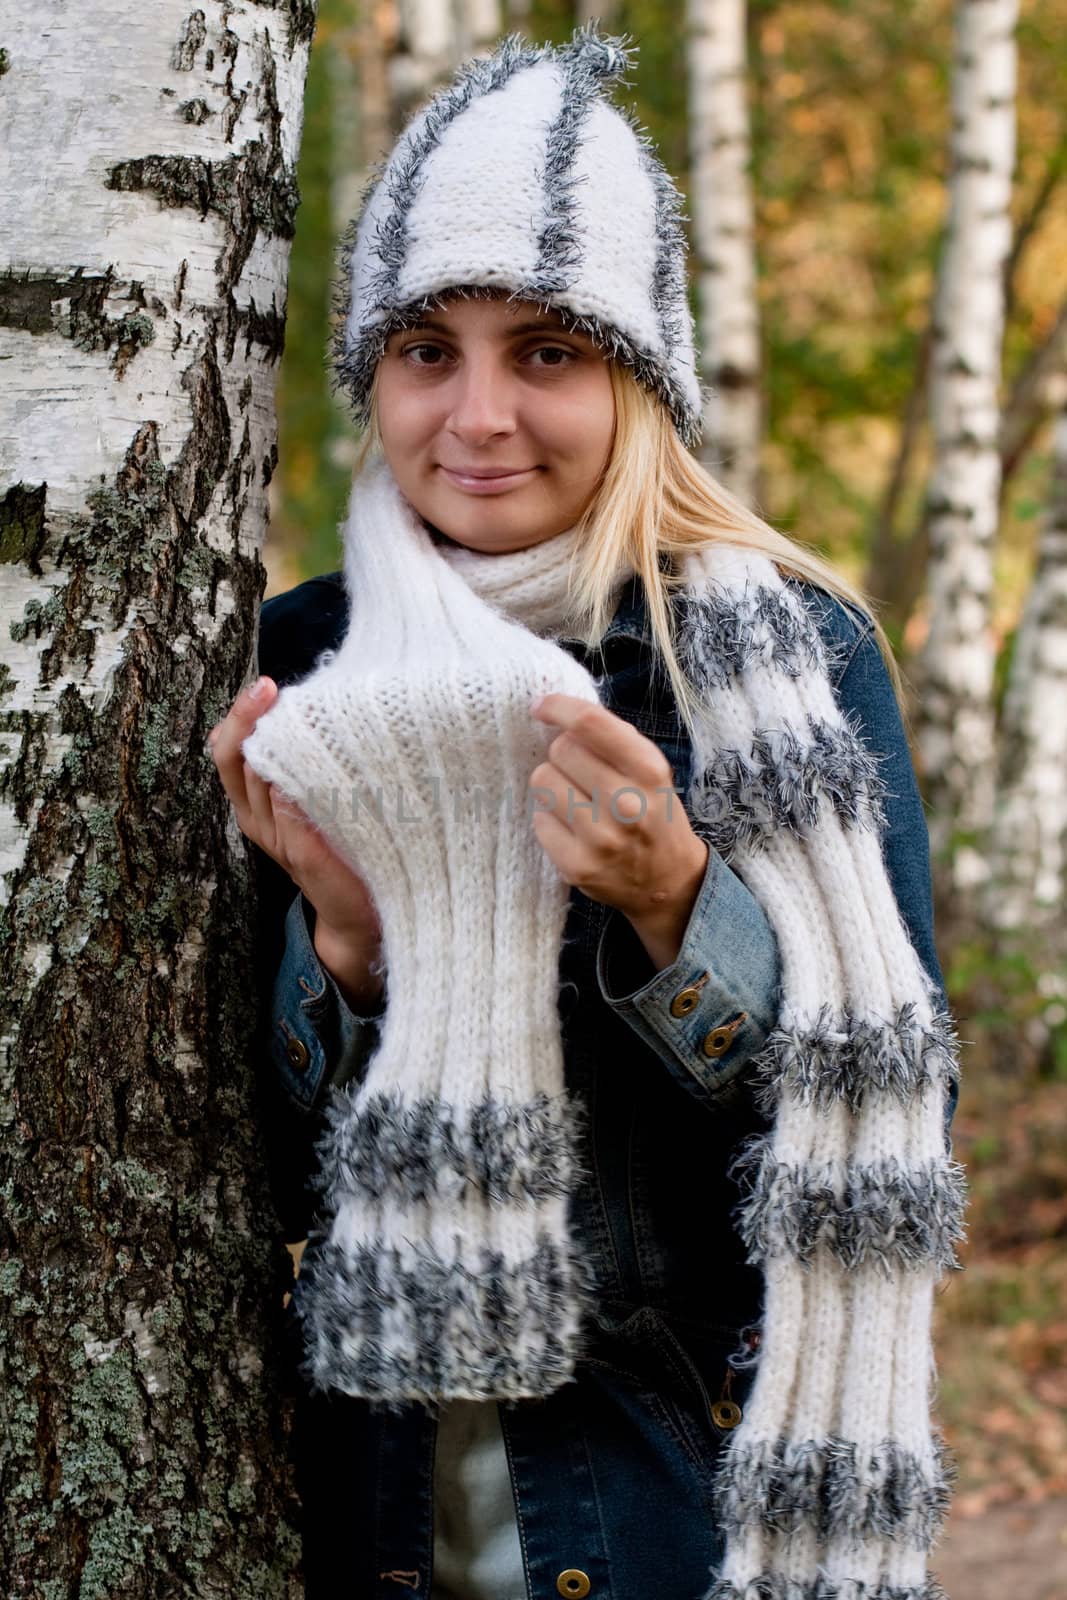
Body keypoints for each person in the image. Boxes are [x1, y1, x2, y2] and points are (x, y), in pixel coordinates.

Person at [208, 24, 963, 1600]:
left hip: (654, 1505)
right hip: (363, 1506)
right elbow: (218, 1184)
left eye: (546, 351)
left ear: (639, 379)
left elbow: (885, 1130)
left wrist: (679, 908)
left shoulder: (787, 666)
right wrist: (341, 947)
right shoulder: (293, 664)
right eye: (429, 351)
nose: (478, 416)